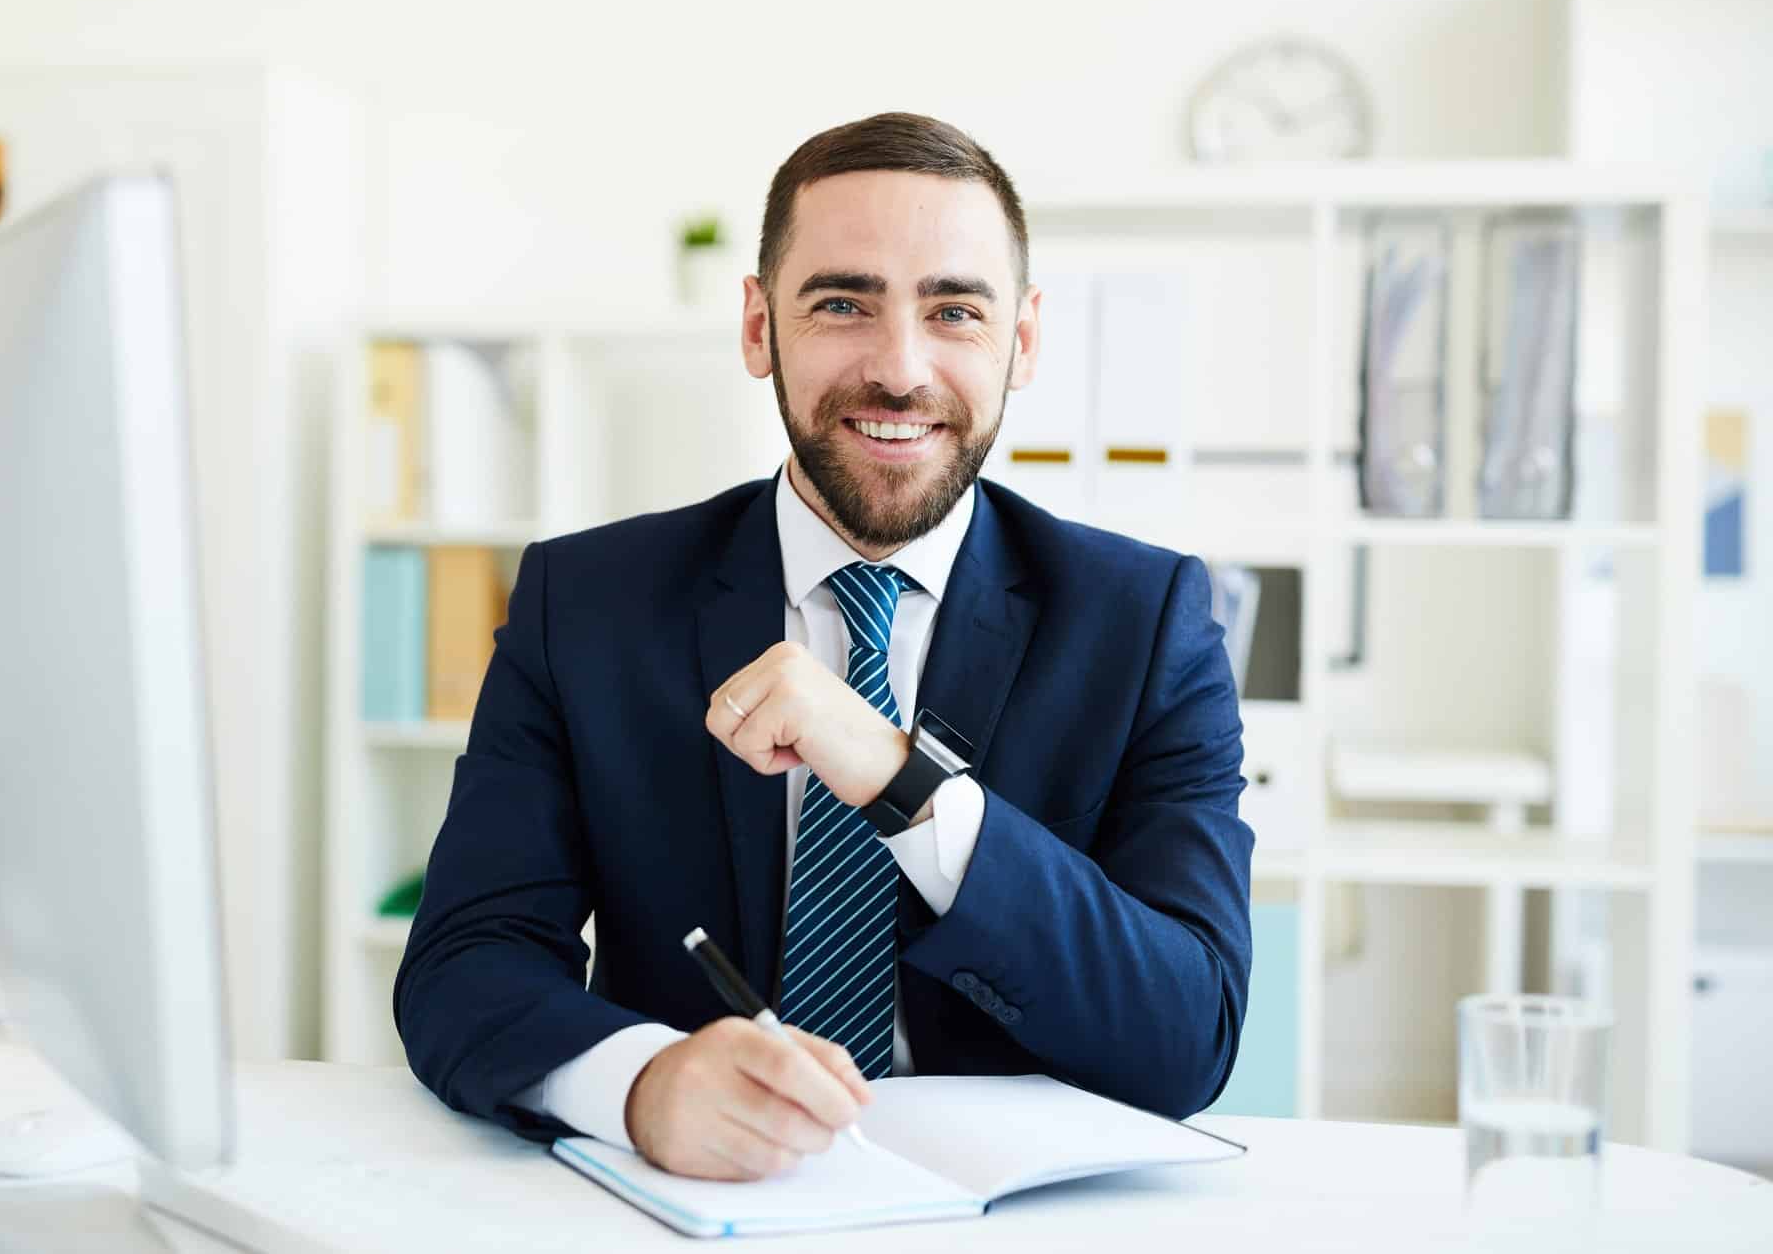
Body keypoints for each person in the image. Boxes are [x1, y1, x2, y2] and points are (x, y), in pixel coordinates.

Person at [395, 112, 1253, 1182]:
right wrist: (640, 1084)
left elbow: (1189, 1034)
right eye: (841, 303)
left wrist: (905, 784)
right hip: (685, 1208)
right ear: (757, 326)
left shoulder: (1145, 621)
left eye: (953, 310)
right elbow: (460, 966)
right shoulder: (585, 604)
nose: (898, 370)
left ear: (1020, 341)